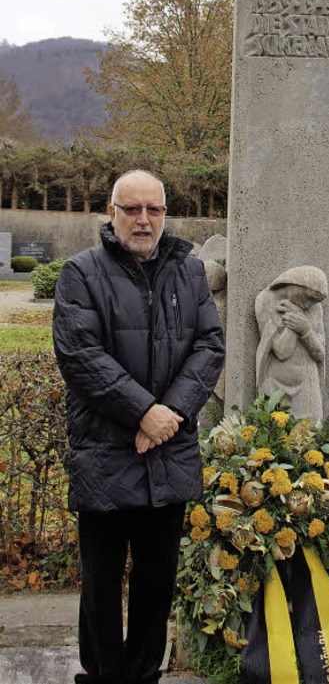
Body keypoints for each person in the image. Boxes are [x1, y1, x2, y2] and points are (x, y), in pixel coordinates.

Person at [53, 170, 225, 684]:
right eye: (132, 210)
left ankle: (145, 674)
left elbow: (209, 345)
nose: (144, 220)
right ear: (112, 213)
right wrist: (142, 413)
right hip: (106, 451)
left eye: (154, 210)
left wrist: (168, 414)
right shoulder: (80, 273)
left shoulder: (190, 271)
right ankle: (104, 675)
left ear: (165, 215)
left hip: (166, 452)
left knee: (157, 582)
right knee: (101, 582)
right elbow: (80, 355)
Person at [255, 265, 326, 419]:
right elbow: (281, 351)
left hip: (307, 384)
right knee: (278, 435)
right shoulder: (265, 300)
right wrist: (294, 322)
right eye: (309, 297)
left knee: (312, 434)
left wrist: (305, 329)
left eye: (314, 301)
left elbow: (320, 354)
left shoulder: (315, 308)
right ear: (296, 285)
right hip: (276, 386)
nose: (309, 304)